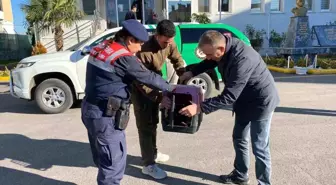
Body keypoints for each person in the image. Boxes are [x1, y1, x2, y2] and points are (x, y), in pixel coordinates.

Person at [178, 30, 280, 185]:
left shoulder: (242, 59)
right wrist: (192, 71)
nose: (208, 57)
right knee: (239, 138)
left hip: (261, 101)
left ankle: (264, 183)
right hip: (243, 100)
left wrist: (199, 107)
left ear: (220, 49)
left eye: (209, 54)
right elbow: (210, 61)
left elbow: (229, 97)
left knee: (259, 146)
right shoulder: (222, 49)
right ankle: (240, 176)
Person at [81, 19, 175, 185]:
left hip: (90, 110)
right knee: (113, 163)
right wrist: (171, 89)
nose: (140, 48)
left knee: (103, 157)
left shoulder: (103, 46)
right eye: (139, 44)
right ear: (130, 40)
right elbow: (148, 77)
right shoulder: (123, 57)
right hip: (106, 116)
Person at [131, 19, 186, 180]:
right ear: (157, 35)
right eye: (165, 42)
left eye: (170, 41)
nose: (168, 45)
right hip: (141, 90)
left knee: (153, 121)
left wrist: (183, 75)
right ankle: (148, 165)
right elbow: (140, 80)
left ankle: (153, 152)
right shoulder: (143, 50)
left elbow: (177, 59)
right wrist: (159, 97)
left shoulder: (170, 43)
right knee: (145, 125)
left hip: (156, 82)